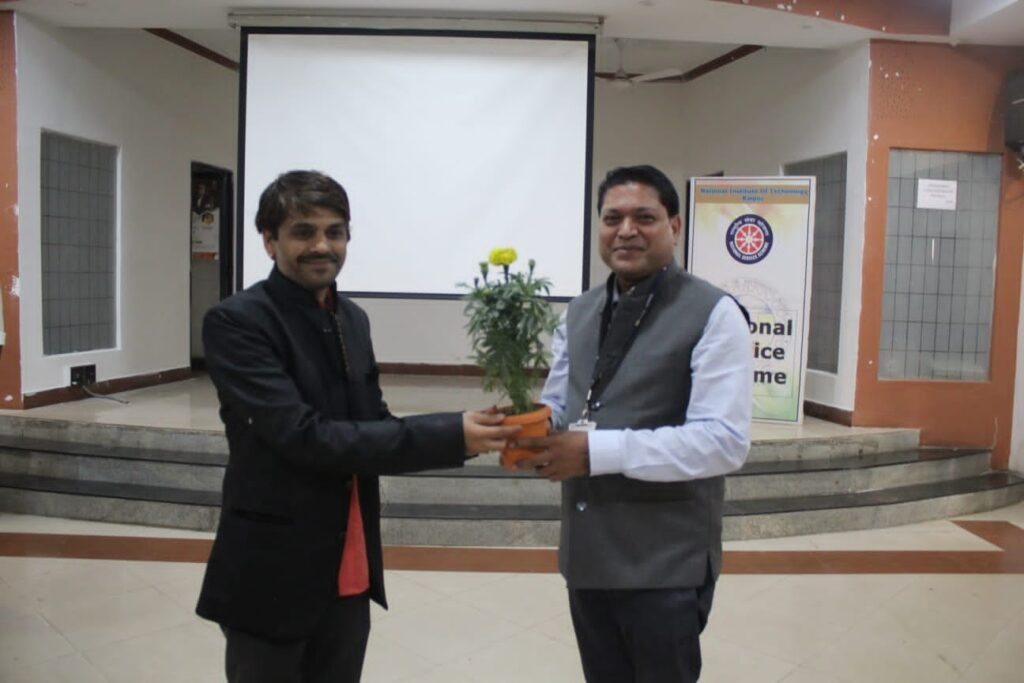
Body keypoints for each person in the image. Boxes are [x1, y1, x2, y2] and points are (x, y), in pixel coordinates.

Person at [195, 170, 519, 682]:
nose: (322, 245)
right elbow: (303, 436)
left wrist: (466, 434)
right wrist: (450, 434)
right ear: (269, 240)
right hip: (271, 570)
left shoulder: (352, 318)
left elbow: (373, 424)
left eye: (335, 232)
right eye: (303, 232)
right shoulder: (237, 321)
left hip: (348, 564)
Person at [516, 165, 753, 682]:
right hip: (587, 553)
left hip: (663, 563)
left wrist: (593, 452)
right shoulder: (579, 311)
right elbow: (562, 401)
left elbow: (724, 442)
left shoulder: (715, 313)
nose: (626, 231)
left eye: (644, 217)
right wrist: (529, 426)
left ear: (675, 225)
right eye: (612, 218)